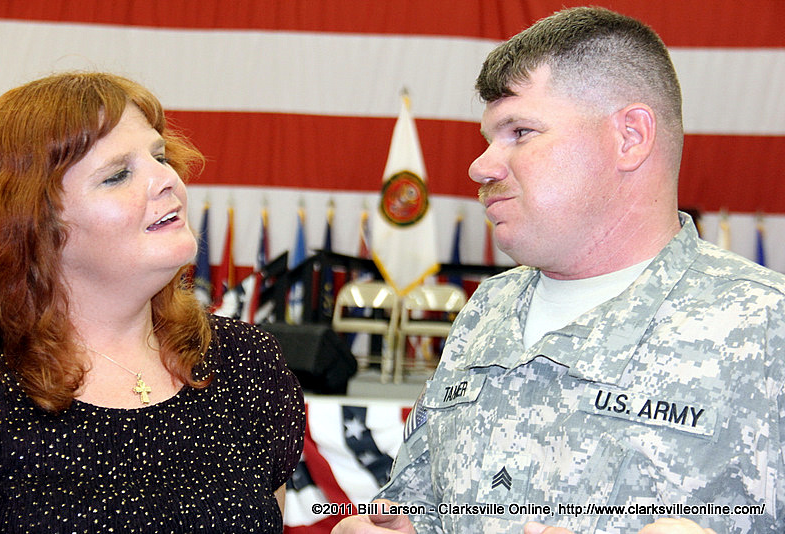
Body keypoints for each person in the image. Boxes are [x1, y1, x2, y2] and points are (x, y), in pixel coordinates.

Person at [333, 6, 784, 534]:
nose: (480, 166)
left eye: (521, 131)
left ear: (630, 137)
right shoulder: (487, 309)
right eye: (489, 137)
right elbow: (419, 505)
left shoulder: (765, 327)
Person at [0, 72, 305, 532]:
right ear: (33, 223)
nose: (167, 179)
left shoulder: (247, 363)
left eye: (160, 156)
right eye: (118, 175)